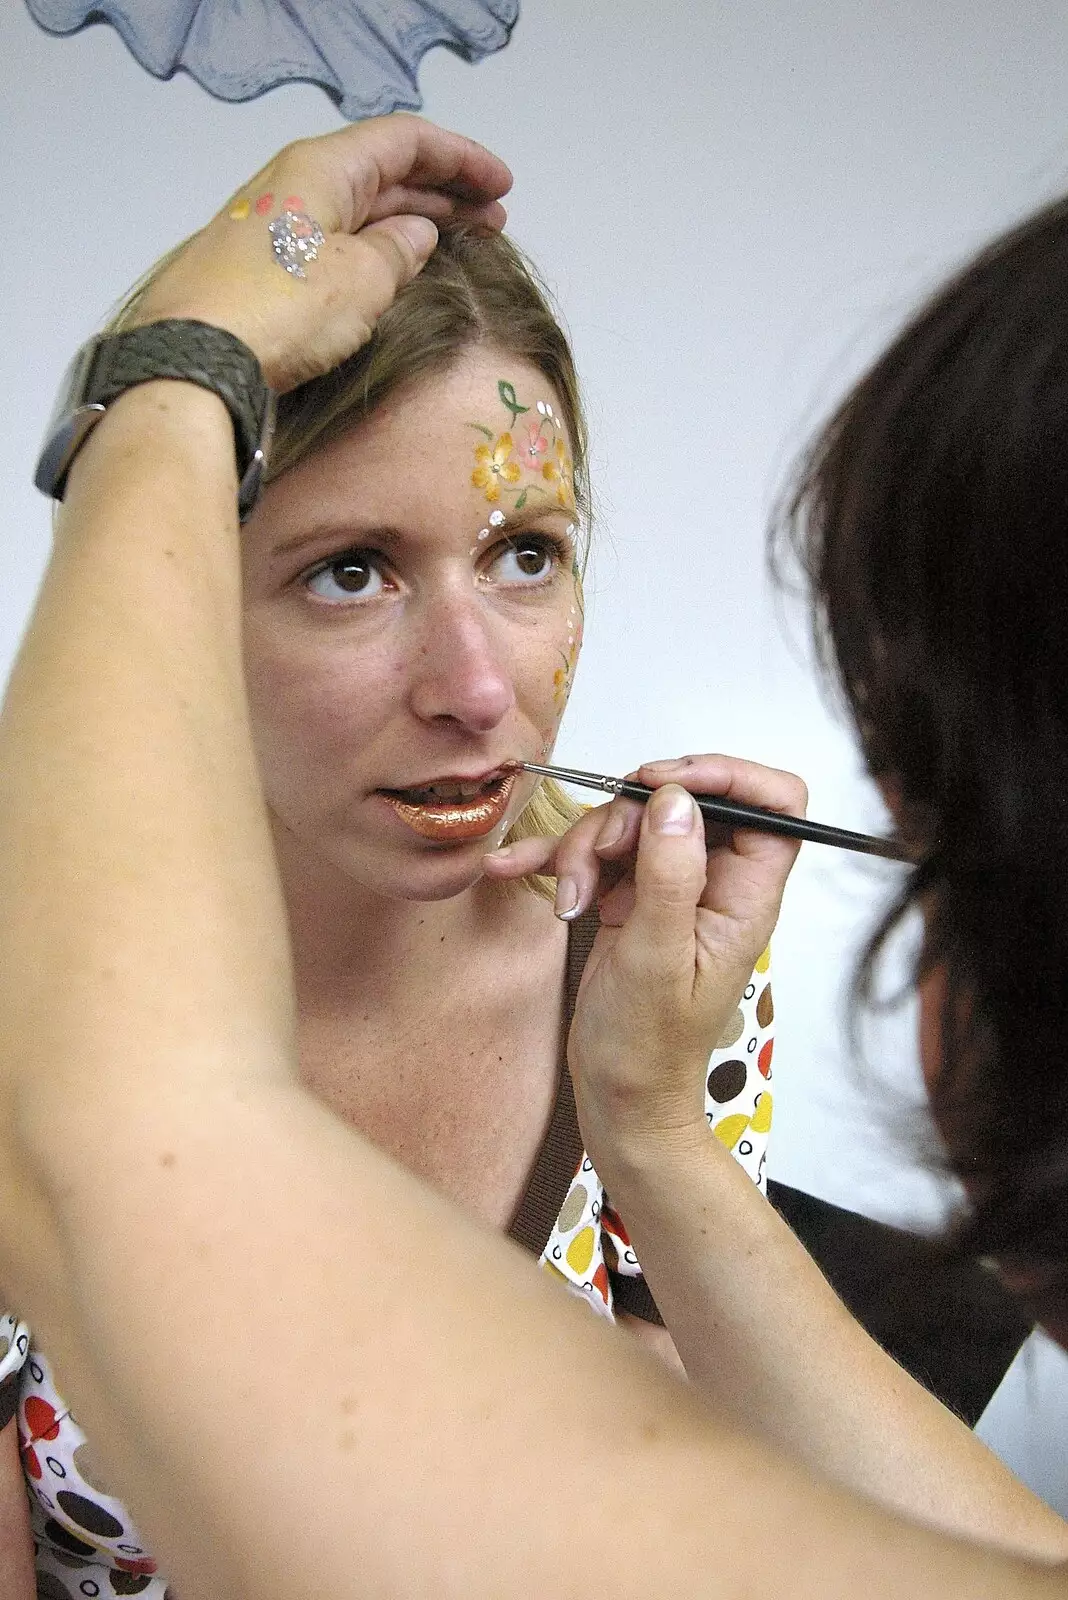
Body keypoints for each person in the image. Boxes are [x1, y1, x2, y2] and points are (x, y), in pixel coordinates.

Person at [1, 112, 1067, 1600]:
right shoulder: (656, 1028)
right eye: (351, 572)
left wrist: (174, 377)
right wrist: (657, 1133)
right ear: (193, 608)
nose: (480, 689)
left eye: (527, 554)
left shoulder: (632, 988)